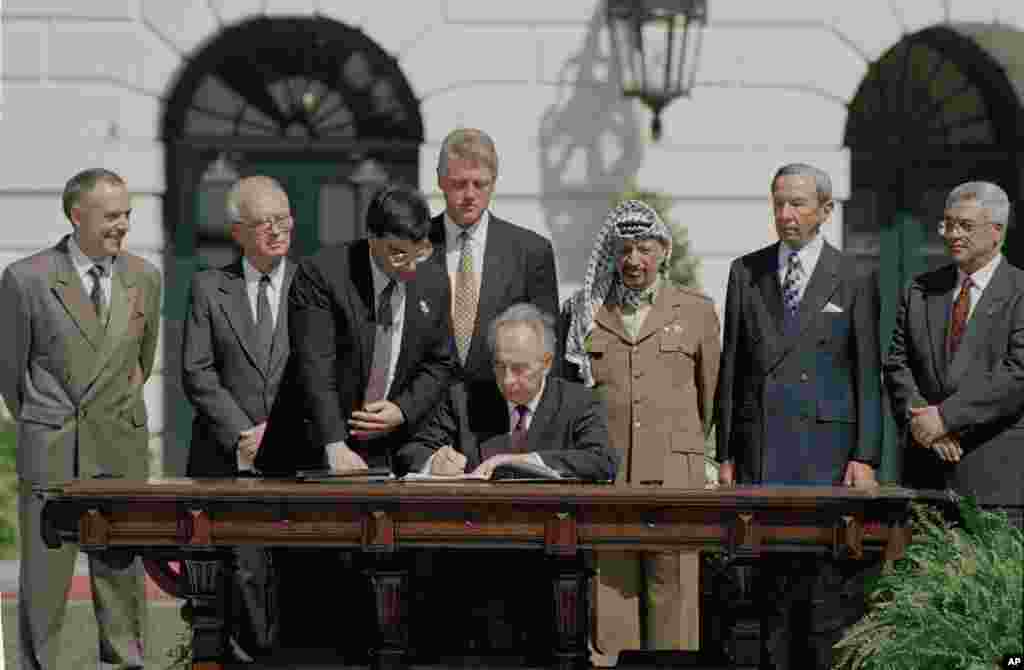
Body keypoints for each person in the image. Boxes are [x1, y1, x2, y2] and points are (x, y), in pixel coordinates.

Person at [714, 163, 882, 669]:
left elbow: (866, 372)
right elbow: (733, 367)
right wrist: (724, 453)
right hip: (762, 450)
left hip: (827, 458)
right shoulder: (746, 271)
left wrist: (865, 456)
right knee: (768, 597)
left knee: (825, 595)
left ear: (826, 210)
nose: (786, 215)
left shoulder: (854, 274)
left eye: (798, 204)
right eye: (779, 203)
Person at [0, 168, 161, 670]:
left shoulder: (144, 277)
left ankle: (124, 665)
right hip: (52, 449)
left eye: (127, 215)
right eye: (112, 215)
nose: (123, 225)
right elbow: (10, 372)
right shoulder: (26, 278)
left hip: (118, 448)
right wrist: (45, 422)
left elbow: (142, 360)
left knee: (121, 576)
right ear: (77, 215)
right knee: (44, 583)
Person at [561, 200, 720, 665]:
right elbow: (572, 400)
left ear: (664, 252)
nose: (634, 260)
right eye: (625, 249)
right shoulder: (586, 313)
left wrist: (706, 463)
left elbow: (713, 398)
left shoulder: (696, 312)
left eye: (644, 249)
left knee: (675, 604)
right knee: (611, 608)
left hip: (675, 482)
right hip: (607, 483)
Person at [258, 183, 456, 473]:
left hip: (391, 450)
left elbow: (440, 362)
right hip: (313, 452)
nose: (411, 268)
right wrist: (334, 443)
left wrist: (403, 409)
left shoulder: (433, 282)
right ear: (371, 237)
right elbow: (314, 364)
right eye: (398, 254)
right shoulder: (323, 274)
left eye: (419, 252)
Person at [181, 175, 296, 659]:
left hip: (294, 461)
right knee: (237, 580)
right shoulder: (209, 288)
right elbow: (198, 372)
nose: (276, 230)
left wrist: (280, 433)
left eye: (283, 218)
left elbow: (323, 371)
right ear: (237, 232)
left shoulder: (313, 286)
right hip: (227, 462)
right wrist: (244, 435)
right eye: (263, 222)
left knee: (291, 579)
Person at [884, 181, 1024, 529]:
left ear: (997, 231)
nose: (952, 234)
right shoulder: (920, 290)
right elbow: (897, 365)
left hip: (995, 482)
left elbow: (1017, 375)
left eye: (965, 225)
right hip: (925, 478)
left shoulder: (1020, 291)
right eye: (947, 224)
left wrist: (946, 419)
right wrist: (927, 426)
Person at [428, 128, 559, 463]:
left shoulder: (530, 252)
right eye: (459, 184)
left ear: (494, 182)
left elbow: (548, 350)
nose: (470, 194)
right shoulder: (416, 245)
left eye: (480, 184)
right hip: (423, 425)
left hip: (498, 427)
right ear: (441, 181)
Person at [396, 302, 617, 481]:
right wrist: (433, 462)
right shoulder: (463, 400)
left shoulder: (578, 402)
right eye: (500, 366)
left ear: (546, 363)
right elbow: (409, 453)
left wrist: (527, 461)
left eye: (520, 368)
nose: (508, 379)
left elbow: (602, 461)